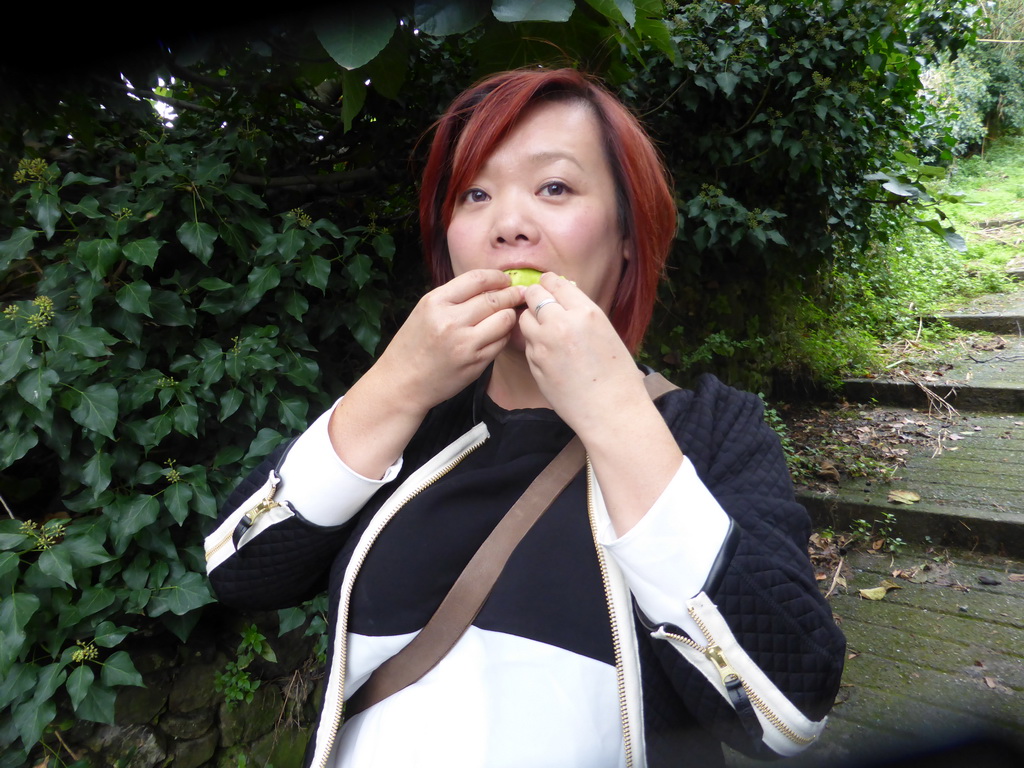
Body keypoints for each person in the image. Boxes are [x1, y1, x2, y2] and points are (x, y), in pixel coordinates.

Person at [205, 67, 846, 768]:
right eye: (475, 194)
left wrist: (614, 413)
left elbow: (788, 714)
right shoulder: (415, 424)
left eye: (555, 188)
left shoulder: (711, 430)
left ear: (629, 235)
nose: (508, 225)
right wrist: (394, 386)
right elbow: (239, 572)